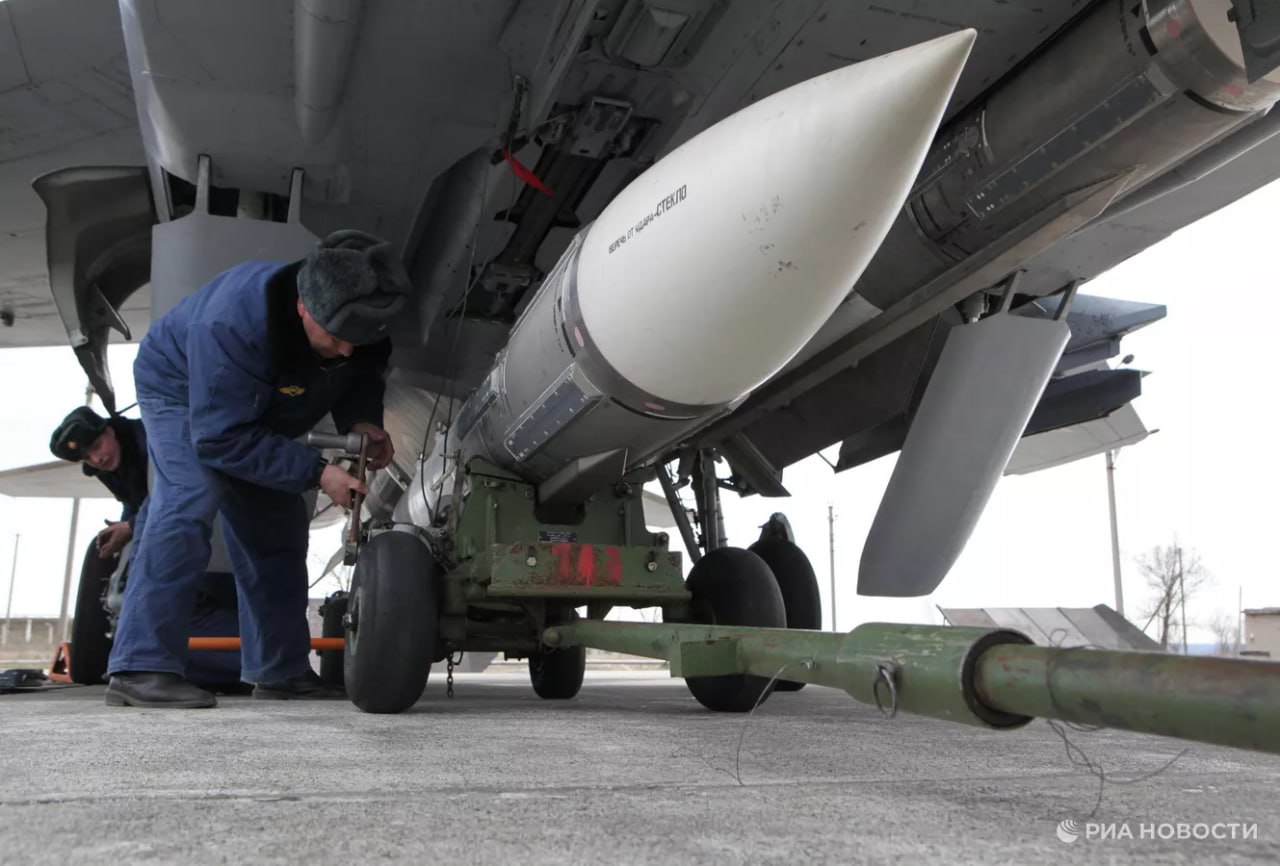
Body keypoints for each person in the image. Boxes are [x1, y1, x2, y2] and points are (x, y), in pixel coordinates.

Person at [105, 229, 409, 709]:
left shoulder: (359, 325)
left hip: (253, 402)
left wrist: (363, 423)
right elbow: (220, 438)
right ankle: (140, 666)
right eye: (334, 338)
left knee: (278, 526)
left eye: (357, 340)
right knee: (189, 500)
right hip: (183, 390)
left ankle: (281, 671)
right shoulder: (232, 325)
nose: (346, 350)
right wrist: (318, 473)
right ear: (304, 307)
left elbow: (360, 374)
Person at [49, 406, 243, 689]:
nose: (97, 458)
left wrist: (132, 525)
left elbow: (180, 483)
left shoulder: (157, 440)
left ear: (110, 430)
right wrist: (130, 525)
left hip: (220, 537)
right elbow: (139, 499)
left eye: (96, 446)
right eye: (87, 456)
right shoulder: (113, 465)